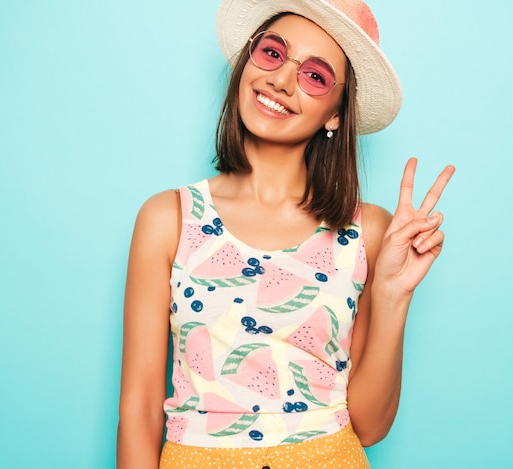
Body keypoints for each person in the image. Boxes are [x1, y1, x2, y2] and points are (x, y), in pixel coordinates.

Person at [117, 0, 455, 467]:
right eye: (273, 53)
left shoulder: (370, 231)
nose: (281, 79)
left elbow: (372, 427)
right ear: (246, 65)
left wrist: (395, 293)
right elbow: (138, 411)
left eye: (315, 76)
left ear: (337, 113)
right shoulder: (167, 218)